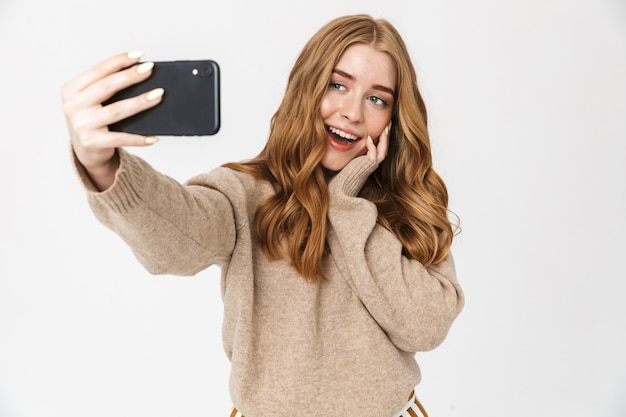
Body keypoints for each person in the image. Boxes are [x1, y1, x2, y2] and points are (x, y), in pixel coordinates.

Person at [62, 14, 464, 417]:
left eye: (377, 98)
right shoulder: (244, 193)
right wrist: (104, 166)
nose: (352, 112)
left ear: (394, 117)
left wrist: (348, 207)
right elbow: (176, 242)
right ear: (306, 87)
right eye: (337, 85)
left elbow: (424, 326)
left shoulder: (409, 204)